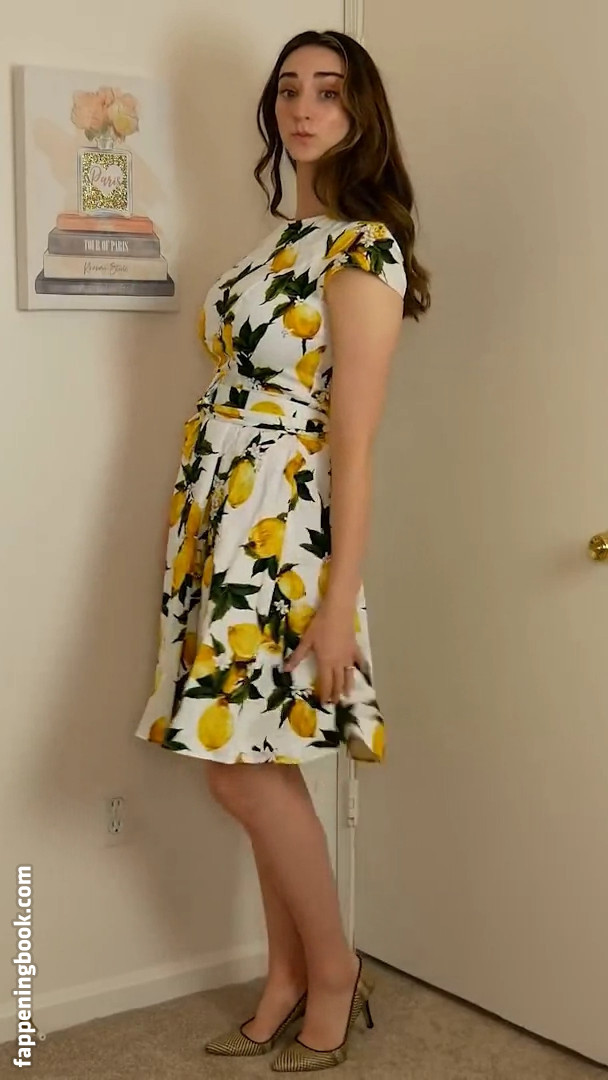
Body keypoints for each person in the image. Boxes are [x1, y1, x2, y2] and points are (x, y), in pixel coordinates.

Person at [134, 27, 430, 1073]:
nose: (303, 108)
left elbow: (353, 445)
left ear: (361, 112)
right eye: (289, 89)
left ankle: (335, 973)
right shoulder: (272, 245)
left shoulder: (362, 249)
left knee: (239, 773)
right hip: (221, 521)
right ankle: (285, 977)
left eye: (329, 91)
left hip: (284, 531)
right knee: (256, 761)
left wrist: (338, 602)